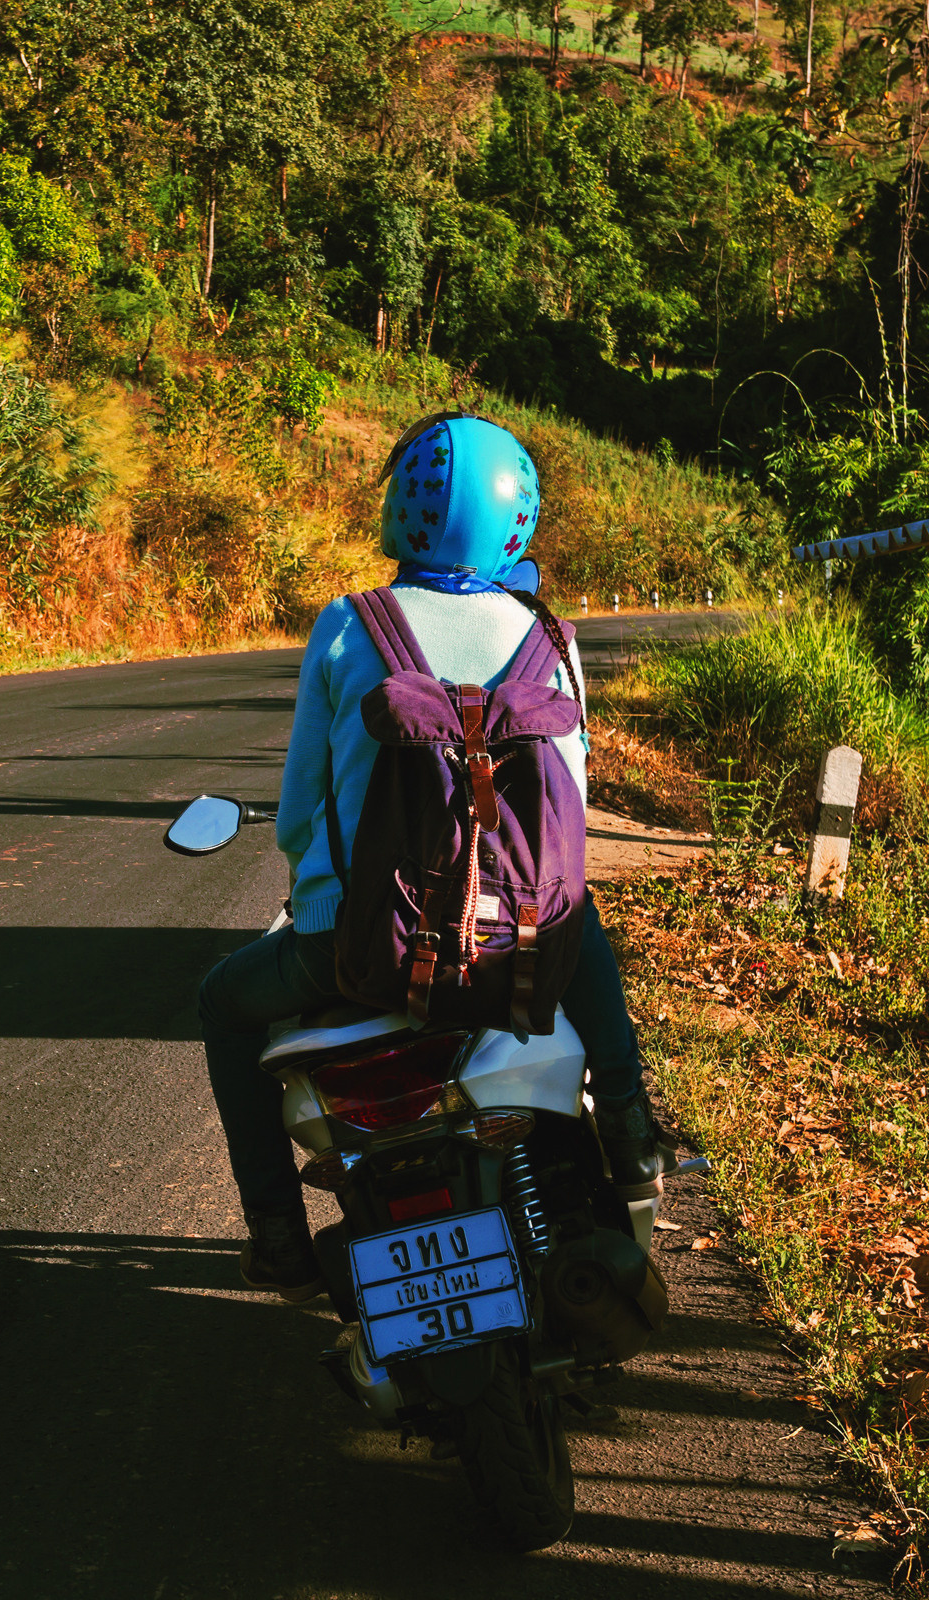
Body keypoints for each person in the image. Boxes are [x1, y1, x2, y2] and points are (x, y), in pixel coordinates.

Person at [196, 412, 664, 1301]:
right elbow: (571, 819)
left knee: (221, 1003)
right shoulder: (554, 644)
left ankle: (278, 1236)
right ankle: (635, 1133)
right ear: (518, 521)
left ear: (399, 513)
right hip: (521, 944)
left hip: (354, 950)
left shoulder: (348, 625)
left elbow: (300, 813)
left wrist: (321, 886)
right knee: (579, 913)